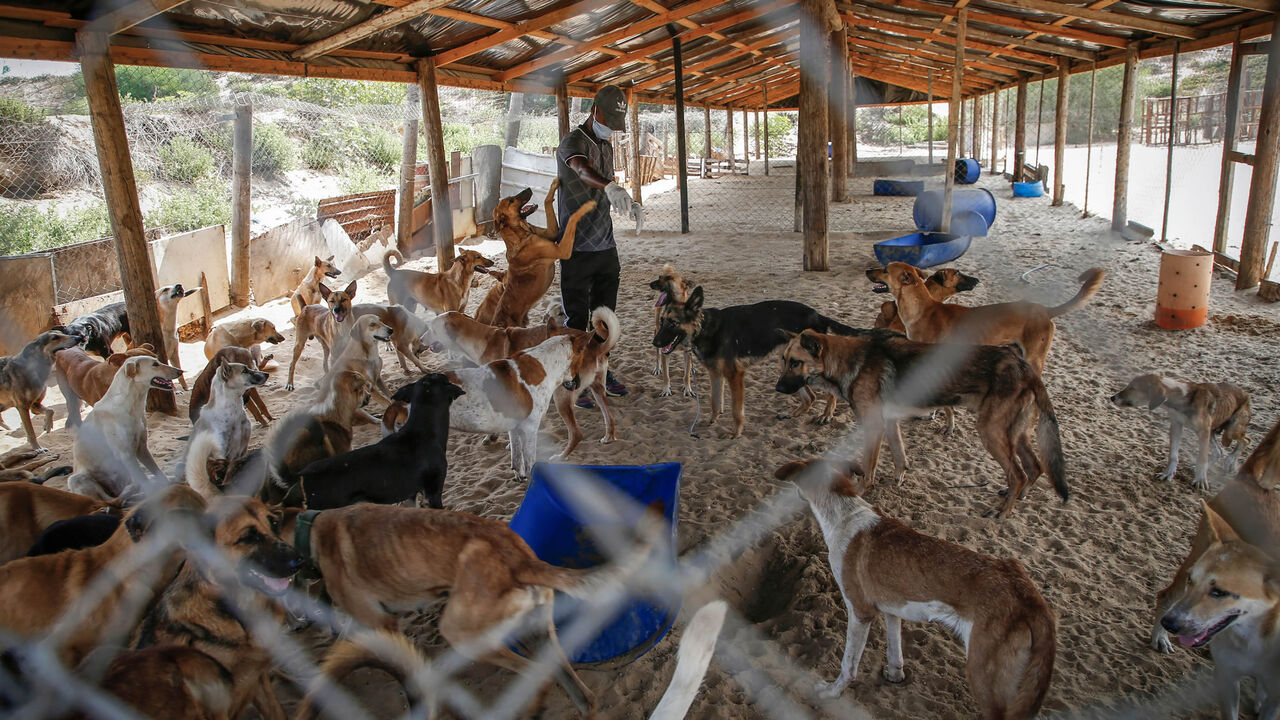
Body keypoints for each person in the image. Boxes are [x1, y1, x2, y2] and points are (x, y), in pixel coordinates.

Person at [555, 84, 641, 407]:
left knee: (606, 317)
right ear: (595, 112)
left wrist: (627, 201)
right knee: (576, 320)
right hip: (576, 247)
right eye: (610, 122)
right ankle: (575, 380)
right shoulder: (574, 142)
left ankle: (602, 372)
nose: (612, 131)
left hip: (605, 245)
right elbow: (581, 169)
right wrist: (610, 186)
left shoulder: (606, 144)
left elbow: (608, 188)